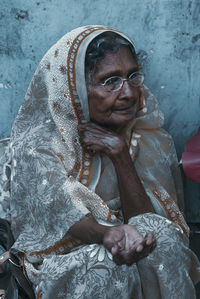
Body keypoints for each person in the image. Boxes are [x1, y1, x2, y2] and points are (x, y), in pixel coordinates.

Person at [1, 25, 200, 298]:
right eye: (110, 81)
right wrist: (110, 235)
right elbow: (60, 215)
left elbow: (149, 223)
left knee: (164, 244)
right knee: (104, 264)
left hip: (131, 249)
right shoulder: (40, 144)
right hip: (62, 256)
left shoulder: (149, 138)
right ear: (75, 88)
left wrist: (119, 154)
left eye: (133, 76)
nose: (129, 92)